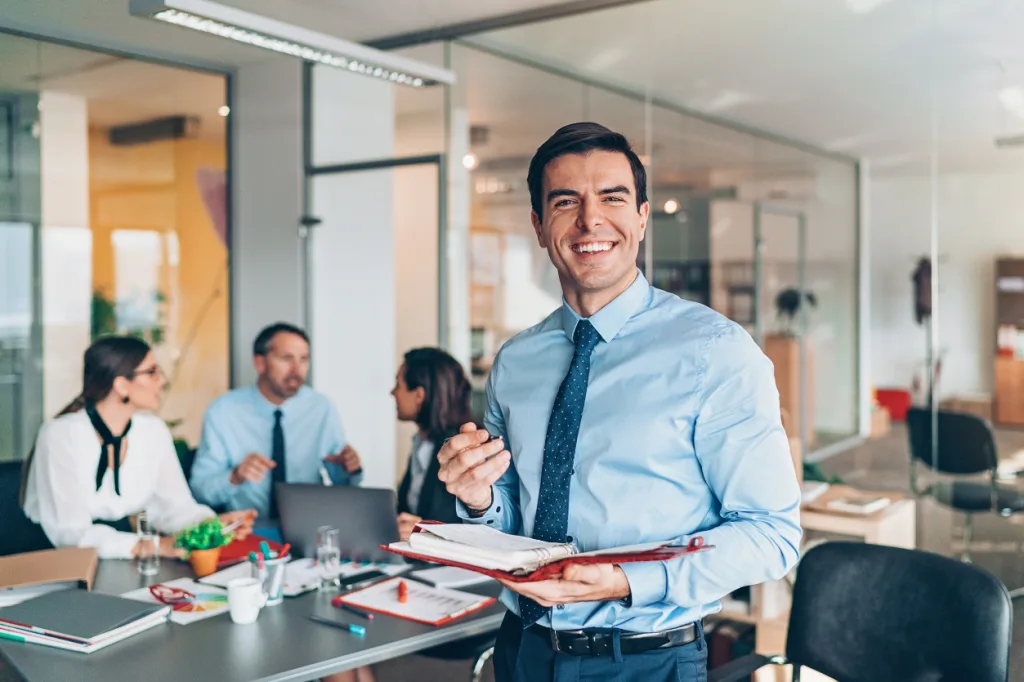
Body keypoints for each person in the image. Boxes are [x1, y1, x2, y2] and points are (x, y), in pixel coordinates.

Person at [437, 122, 802, 682]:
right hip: (524, 650)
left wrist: (627, 580)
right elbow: (513, 518)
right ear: (539, 225)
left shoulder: (715, 351)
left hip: (645, 660)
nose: (590, 220)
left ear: (642, 216)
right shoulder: (516, 361)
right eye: (566, 201)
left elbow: (771, 534)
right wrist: (481, 497)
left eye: (612, 197)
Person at [20, 336, 254, 559]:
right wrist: (150, 546)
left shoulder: (152, 430)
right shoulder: (60, 435)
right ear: (121, 385)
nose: (162, 381)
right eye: (152, 372)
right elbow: (69, 533)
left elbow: (174, 507)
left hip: (124, 557)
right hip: (56, 563)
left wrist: (210, 525)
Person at [190, 323, 362, 521]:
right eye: (286, 359)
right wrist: (235, 476)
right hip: (247, 530)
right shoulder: (223, 411)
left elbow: (345, 484)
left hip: (308, 525)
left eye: (304, 359)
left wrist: (349, 468)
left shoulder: (321, 408)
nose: (296, 370)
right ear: (260, 363)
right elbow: (200, 490)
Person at [392, 347, 473, 542]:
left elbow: (472, 531)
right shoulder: (421, 443)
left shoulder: (462, 450)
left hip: (450, 568)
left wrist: (428, 533)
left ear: (419, 395)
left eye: (398, 384)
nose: (392, 392)